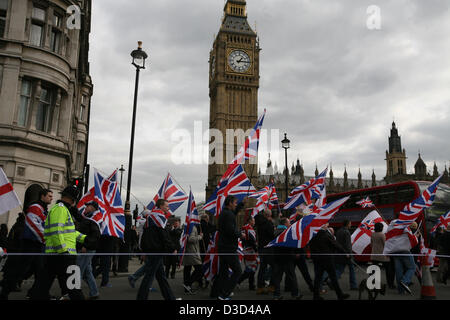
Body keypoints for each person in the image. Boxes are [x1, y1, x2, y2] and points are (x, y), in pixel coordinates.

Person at [30, 185, 86, 300]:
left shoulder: (62, 209)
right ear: (73, 199)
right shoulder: (61, 209)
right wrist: (63, 251)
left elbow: (69, 232)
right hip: (62, 255)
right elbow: (57, 231)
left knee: (43, 285)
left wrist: (85, 239)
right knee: (74, 287)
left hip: (56, 254)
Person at [0, 189, 53, 300]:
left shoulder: (43, 209)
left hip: (38, 245)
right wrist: (46, 238)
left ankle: (37, 293)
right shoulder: (35, 208)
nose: (52, 198)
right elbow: (34, 226)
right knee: (20, 270)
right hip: (30, 245)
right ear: (42, 196)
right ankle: (4, 292)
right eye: (49, 196)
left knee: (41, 271)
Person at [137, 199, 177, 300]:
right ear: (161, 206)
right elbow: (164, 235)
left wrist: (144, 249)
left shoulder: (151, 216)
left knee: (161, 278)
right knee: (149, 277)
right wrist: (172, 248)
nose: (168, 208)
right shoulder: (159, 217)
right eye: (167, 206)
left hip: (152, 249)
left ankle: (170, 297)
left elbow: (145, 234)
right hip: (156, 250)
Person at [309, 223, 350, 300]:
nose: (327, 224)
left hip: (317, 259)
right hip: (327, 259)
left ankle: (316, 296)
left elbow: (311, 246)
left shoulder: (313, 234)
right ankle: (339, 294)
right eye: (326, 223)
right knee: (333, 277)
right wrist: (345, 253)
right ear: (323, 225)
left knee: (318, 278)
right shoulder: (326, 234)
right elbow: (335, 244)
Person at [216, 195, 244, 300]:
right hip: (229, 248)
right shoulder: (228, 215)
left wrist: (241, 205)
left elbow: (233, 214)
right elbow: (230, 230)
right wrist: (240, 234)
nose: (236, 204)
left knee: (223, 272)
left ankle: (220, 293)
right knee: (237, 271)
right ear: (230, 203)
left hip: (223, 247)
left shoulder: (225, 213)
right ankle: (225, 294)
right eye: (235, 203)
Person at [383, 221, 418, 295]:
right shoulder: (404, 226)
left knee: (399, 271)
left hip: (395, 252)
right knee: (412, 267)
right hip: (404, 250)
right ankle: (405, 281)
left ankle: (401, 290)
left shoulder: (390, 227)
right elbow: (411, 238)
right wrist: (416, 237)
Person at [271, 217, 302, 300]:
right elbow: (291, 244)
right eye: (288, 222)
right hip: (287, 256)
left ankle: (276, 295)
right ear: (285, 224)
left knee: (277, 277)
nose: (290, 224)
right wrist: (295, 253)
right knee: (291, 276)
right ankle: (295, 293)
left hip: (277, 256)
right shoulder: (287, 232)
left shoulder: (275, 231)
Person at [76, 201, 101, 300]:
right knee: (87, 273)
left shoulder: (94, 220)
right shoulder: (88, 218)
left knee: (77, 271)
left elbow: (94, 236)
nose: (85, 207)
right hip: (87, 248)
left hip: (87, 249)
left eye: (88, 206)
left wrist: (85, 246)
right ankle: (94, 293)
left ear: (93, 208)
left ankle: (72, 295)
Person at [255, 209, 275, 294]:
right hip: (268, 248)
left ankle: (260, 287)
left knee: (262, 268)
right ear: (268, 215)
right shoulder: (268, 223)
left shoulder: (259, 223)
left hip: (261, 247)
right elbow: (271, 235)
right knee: (274, 267)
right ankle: (271, 286)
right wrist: (272, 225)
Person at [370, 222, 395, 289]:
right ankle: (390, 284)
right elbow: (385, 245)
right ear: (381, 228)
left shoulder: (372, 234)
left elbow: (371, 244)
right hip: (383, 255)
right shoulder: (382, 235)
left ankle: (374, 283)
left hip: (374, 254)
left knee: (374, 270)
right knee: (388, 270)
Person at [335, 220, 358, 290]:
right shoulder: (347, 232)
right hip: (347, 254)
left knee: (339, 270)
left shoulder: (338, 231)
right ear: (347, 224)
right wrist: (349, 253)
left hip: (340, 253)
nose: (351, 225)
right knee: (352, 270)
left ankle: (332, 282)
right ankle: (353, 285)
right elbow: (348, 245)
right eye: (350, 223)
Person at [237, 216, 258, 291]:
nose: (254, 222)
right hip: (250, 250)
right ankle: (238, 281)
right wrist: (256, 249)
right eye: (253, 220)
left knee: (252, 268)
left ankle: (251, 285)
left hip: (246, 250)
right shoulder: (248, 228)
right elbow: (252, 240)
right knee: (251, 268)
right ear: (250, 221)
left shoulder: (244, 228)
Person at [182, 224, 203, 294]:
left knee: (187, 269)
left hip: (187, 251)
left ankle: (187, 288)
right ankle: (188, 284)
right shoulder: (192, 227)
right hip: (192, 251)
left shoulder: (187, 226)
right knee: (199, 269)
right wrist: (200, 236)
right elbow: (191, 239)